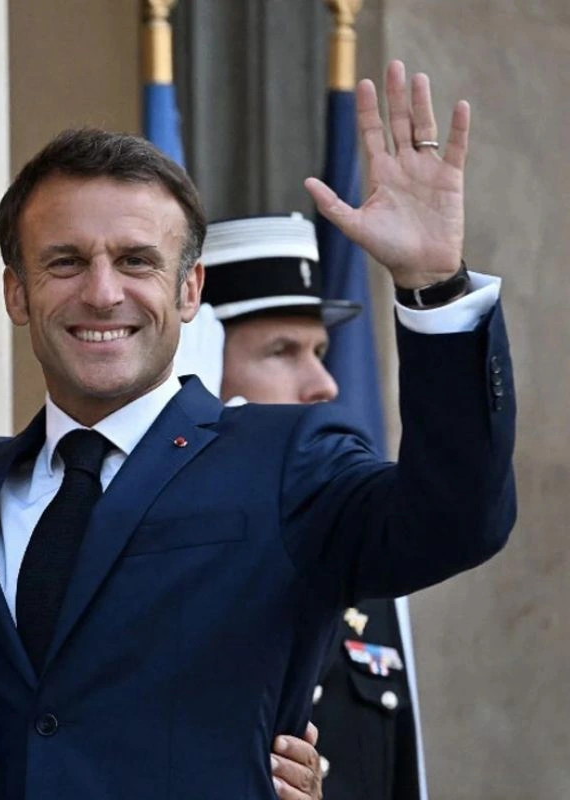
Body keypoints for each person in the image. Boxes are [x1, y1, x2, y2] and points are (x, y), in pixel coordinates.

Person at [0, 60, 514, 797]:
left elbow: (458, 520)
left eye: (137, 261)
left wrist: (435, 287)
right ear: (16, 292)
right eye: (64, 261)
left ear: (190, 288)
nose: (103, 293)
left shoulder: (288, 461)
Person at [196, 212, 429, 799]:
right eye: (282, 351)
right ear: (198, 360)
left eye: (320, 349)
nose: (324, 383)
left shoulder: (362, 563)